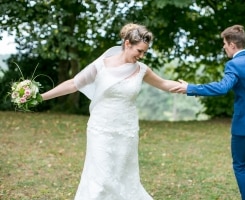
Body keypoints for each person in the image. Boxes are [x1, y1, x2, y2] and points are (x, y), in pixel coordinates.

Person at [41, 23, 181, 200]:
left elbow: (164, 84)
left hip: (127, 129)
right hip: (100, 128)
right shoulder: (101, 65)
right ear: (127, 44)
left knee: (123, 176)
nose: (141, 56)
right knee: (100, 177)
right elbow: (73, 84)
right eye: (139, 51)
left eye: (145, 52)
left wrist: (191, 88)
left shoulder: (142, 70)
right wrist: (41, 97)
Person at [170, 25, 245, 200]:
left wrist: (190, 88)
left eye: (224, 43)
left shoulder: (233, 65)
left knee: (240, 166)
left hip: (243, 126)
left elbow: (222, 88)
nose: (223, 47)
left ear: (232, 44)